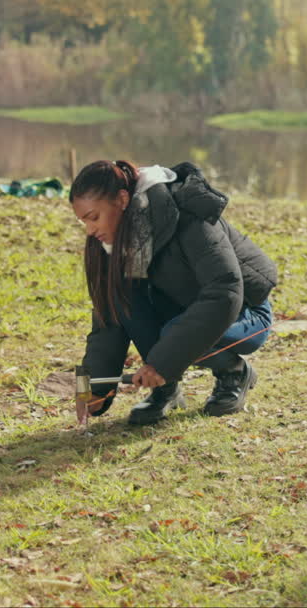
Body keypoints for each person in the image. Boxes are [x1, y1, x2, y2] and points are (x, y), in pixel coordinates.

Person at [70, 160, 277, 425]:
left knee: (173, 335)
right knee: (123, 298)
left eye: (93, 218)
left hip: (245, 311)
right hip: (186, 308)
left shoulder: (187, 212)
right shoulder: (114, 242)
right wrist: (96, 391)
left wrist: (163, 363)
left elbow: (225, 290)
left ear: (122, 199)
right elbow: (109, 318)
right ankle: (166, 390)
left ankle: (234, 372)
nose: (90, 230)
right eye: (83, 222)